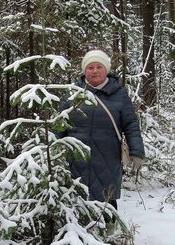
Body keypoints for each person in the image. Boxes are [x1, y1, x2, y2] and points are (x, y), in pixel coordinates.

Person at [58, 49, 145, 208]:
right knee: (76, 200)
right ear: (85, 71)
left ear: (106, 70)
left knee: (106, 199)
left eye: (99, 66)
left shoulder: (119, 94)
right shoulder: (72, 94)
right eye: (90, 67)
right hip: (76, 159)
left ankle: (109, 231)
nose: (95, 71)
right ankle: (77, 232)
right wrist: (52, 151)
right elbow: (60, 124)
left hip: (108, 158)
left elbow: (131, 124)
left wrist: (137, 151)